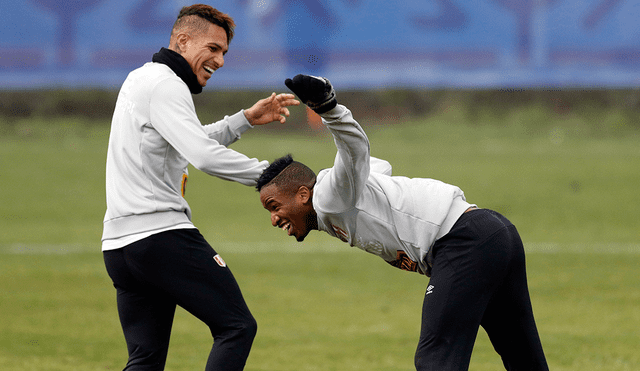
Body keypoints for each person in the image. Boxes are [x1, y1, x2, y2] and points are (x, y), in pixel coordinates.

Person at [256, 74, 549, 371]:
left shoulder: (327, 198)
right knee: (522, 356)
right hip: (493, 233)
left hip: (463, 242)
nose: (273, 219)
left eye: (274, 206)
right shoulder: (338, 193)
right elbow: (372, 167)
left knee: (434, 361)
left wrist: (328, 108)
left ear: (304, 194)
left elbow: (355, 152)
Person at [102, 5, 299, 371]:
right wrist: (273, 176)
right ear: (182, 40)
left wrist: (244, 120)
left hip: (120, 248)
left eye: (224, 52)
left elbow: (184, 142)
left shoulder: (143, 78)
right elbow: (203, 155)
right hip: (160, 237)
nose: (220, 60)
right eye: (212, 48)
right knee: (237, 326)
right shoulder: (166, 85)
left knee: (144, 359)